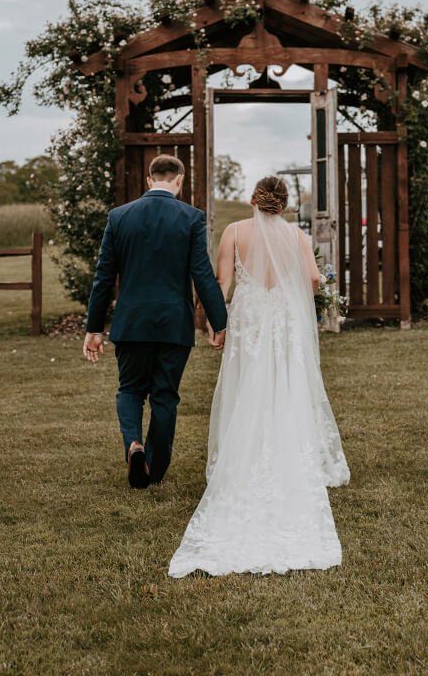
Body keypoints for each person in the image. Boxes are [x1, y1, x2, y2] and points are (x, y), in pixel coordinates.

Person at [167, 176, 350, 577]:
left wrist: (218, 326)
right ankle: (286, 446)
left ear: (254, 200)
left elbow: (222, 284)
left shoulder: (234, 233)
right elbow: (313, 280)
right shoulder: (298, 238)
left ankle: (244, 452)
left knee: (247, 383)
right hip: (283, 320)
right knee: (285, 383)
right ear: (283, 206)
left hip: (249, 319)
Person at [83, 154, 228, 490]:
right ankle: (155, 469)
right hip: (173, 324)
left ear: (149, 181)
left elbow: (103, 277)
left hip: (131, 322)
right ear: (180, 180)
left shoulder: (119, 217)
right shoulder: (192, 218)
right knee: (165, 395)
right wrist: (219, 321)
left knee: (130, 389)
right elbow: (202, 275)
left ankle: (133, 444)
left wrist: (94, 329)